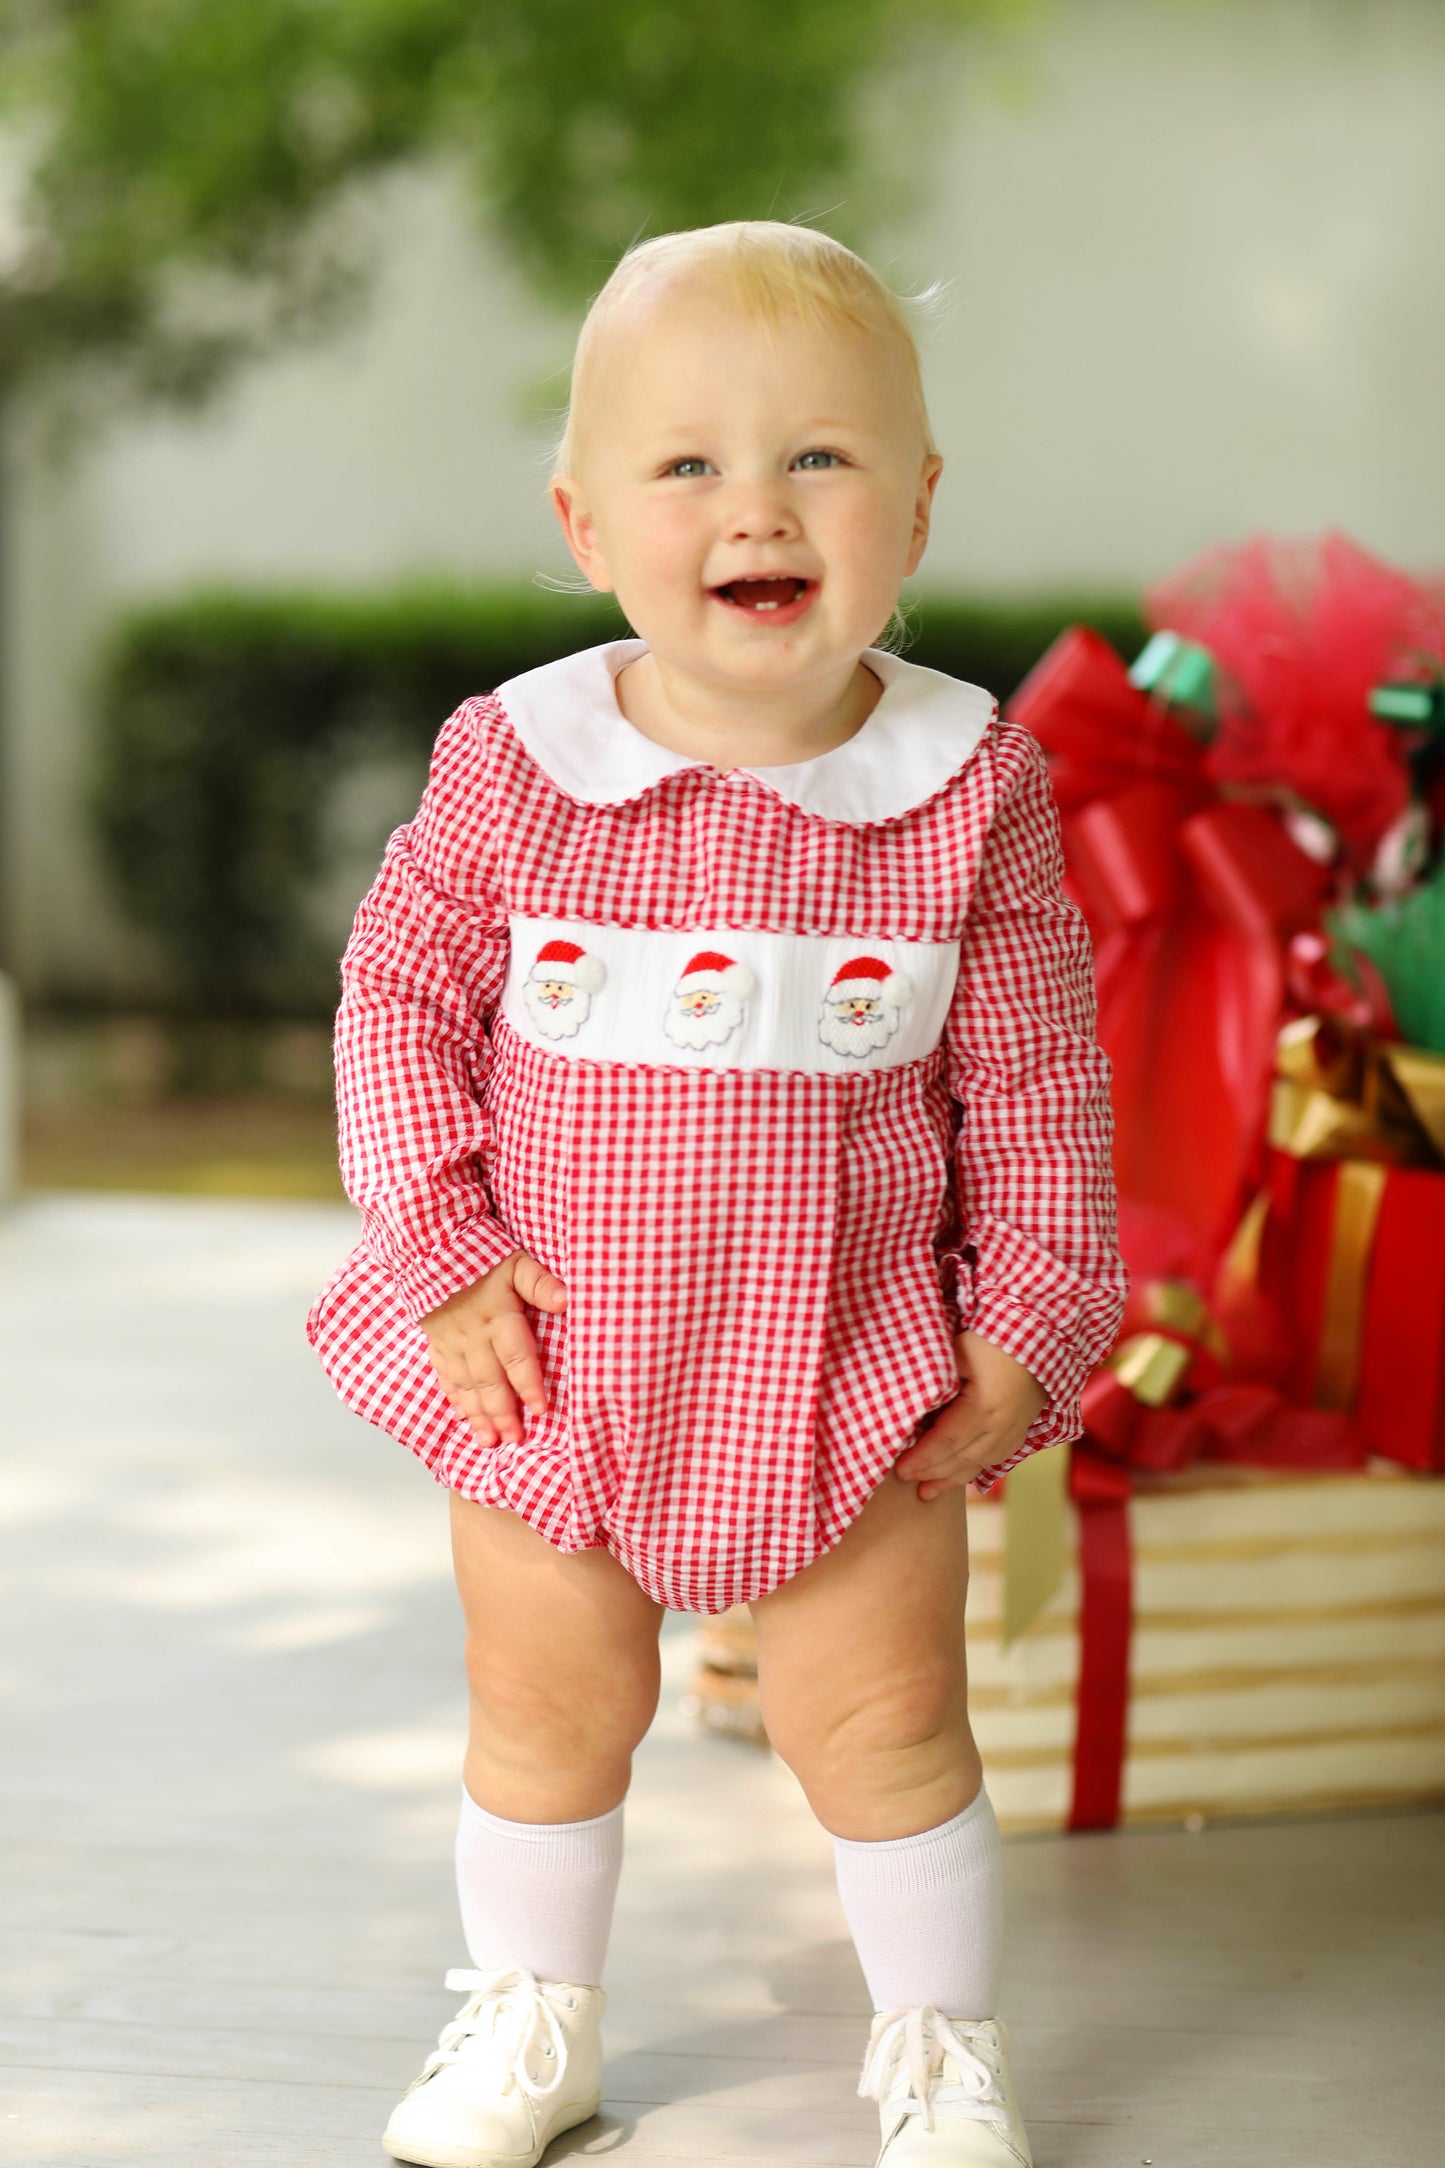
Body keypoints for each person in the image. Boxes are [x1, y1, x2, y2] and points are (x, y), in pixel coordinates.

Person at [307, 219, 1126, 2168]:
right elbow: (398, 1001)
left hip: (850, 1366)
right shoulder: (520, 766)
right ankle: (534, 2018)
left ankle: (938, 2043)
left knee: (886, 1723)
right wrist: (440, 1246)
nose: (756, 505)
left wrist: (1028, 1312)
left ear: (915, 510)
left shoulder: (964, 785)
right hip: (561, 1366)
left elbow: (1035, 1078)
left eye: (820, 459)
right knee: (544, 1700)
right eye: (689, 467)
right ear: (588, 523)